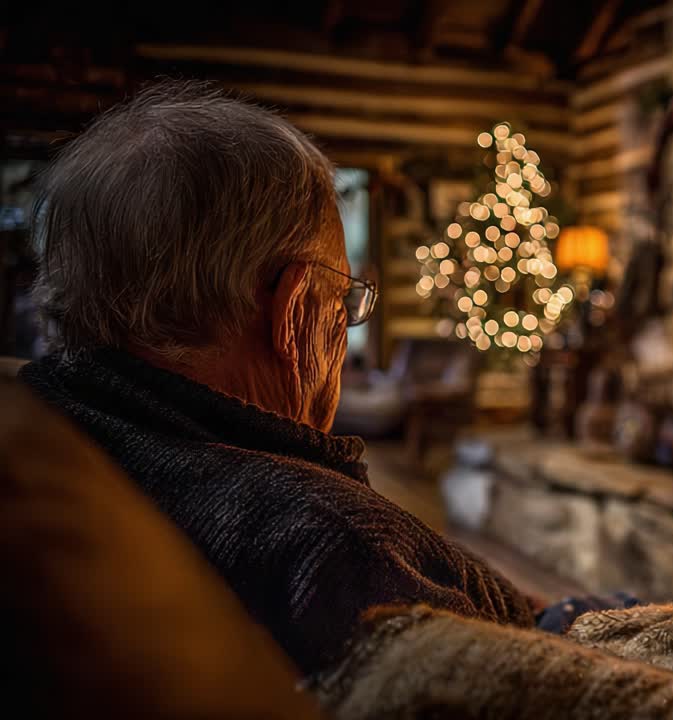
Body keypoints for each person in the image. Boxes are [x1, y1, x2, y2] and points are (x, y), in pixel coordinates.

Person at [18, 82, 536, 675]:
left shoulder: (46, 421)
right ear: (293, 313)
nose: (346, 323)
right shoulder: (335, 552)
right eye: (344, 298)